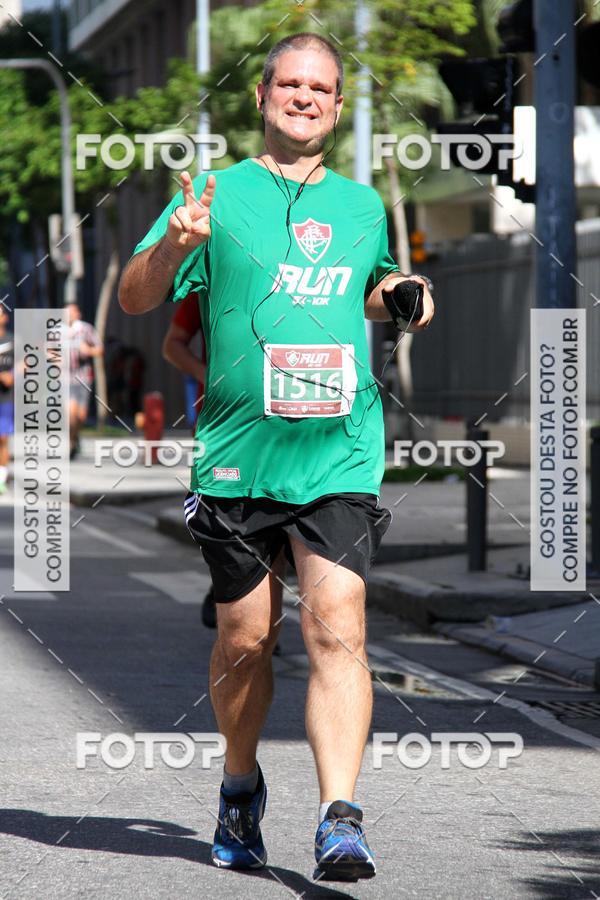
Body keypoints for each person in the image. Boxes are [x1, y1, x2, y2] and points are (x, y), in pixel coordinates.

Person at [119, 32, 434, 882]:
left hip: (336, 452)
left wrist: (403, 293)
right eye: (288, 84)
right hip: (234, 458)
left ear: (337, 106)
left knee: (339, 627)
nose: (303, 97)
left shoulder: (364, 205)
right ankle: (238, 782)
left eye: (320, 87)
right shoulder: (214, 193)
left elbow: (370, 283)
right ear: (261, 98)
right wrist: (179, 242)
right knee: (244, 642)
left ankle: (340, 818)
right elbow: (136, 295)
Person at [162, 293, 216, 627]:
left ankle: (262, 616)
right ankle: (224, 581)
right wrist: (206, 374)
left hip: (294, 420)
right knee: (220, 512)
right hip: (221, 419)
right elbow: (172, 345)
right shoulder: (207, 286)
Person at [66, 303, 103, 460]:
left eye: (73, 311)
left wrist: (88, 350)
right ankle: (70, 443)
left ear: (78, 314)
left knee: (80, 416)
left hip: (83, 378)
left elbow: (100, 349)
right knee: (70, 413)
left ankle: (75, 438)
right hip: (65, 378)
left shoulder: (86, 329)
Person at [0, 307, 14, 494]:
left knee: (2, 437)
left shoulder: (13, 340)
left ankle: (1, 478)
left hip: (5, 395)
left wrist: (11, 375)